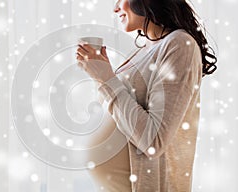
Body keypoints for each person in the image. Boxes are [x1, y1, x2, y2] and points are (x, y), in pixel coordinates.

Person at [76, 0, 217, 191]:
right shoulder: (144, 49)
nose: (115, 8)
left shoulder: (179, 44)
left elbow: (153, 140)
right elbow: (119, 113)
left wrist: (106, 79)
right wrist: (99, 73)